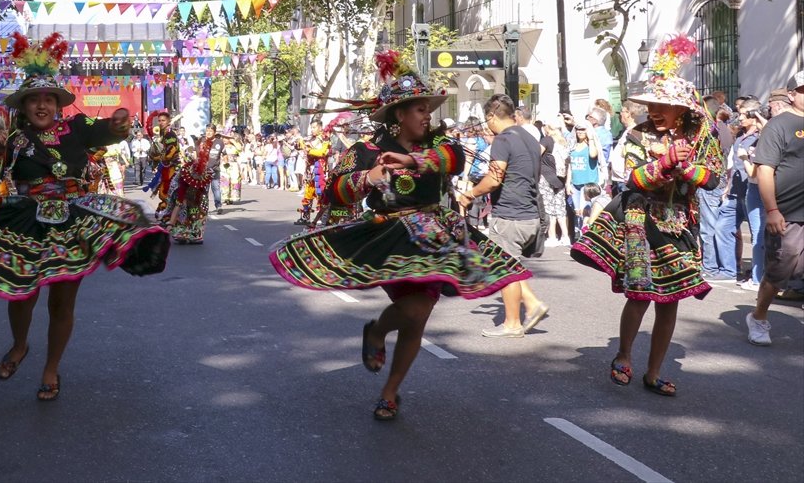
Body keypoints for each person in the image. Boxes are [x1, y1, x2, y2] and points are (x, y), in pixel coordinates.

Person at [268, 54, 531, 421]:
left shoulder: (442, 144)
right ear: (399, 115)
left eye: (428, 110)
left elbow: (452, 160)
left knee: (418, 316)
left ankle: (390, 391)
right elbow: (333, 192)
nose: (427, 116)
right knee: (414, 310)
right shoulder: (366, 152)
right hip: (389, 237)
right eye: (420, 110)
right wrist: (368, 178)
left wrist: (411, 162)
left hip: (437, 238)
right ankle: (377, 331)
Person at [0, 33, 169, 401]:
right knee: (21, 294)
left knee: (62, 302)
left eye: (48, 98)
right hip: (26, 223)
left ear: (57, 104)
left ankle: (51, 369)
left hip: (74, 222)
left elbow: (108, 133)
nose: (42, 105)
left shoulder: (77, 129)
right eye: (35, 99)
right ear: (25, 105)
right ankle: (20, 345)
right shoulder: (13, 139)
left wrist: (119, 121)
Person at [571, 35, 722, 396]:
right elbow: (632, 178)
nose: (653, 110)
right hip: (641, 221)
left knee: (671, 300)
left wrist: (687, 169)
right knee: (639, 294)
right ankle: (623, 354)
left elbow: (714, 178)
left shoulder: (702, 135)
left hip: (680, 223)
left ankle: (653, 373)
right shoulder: (637, 135)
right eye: (651, 103)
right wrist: (667, 162)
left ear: (681, 109)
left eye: (662, 105)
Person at [455, 94, 549, 337]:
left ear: (491, 116)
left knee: (505, 269)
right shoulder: (529, 137)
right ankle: (532, 304)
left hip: (510, 215)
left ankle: (512, 323)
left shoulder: (503, 139)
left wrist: (469, 194)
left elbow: (494, 179)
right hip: (530, 214)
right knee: (511, 266)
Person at [745, 72, 804, 345]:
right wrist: (772, 210)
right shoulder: (778, 125)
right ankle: (758, 316)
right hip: (787, 213)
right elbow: (765, 171)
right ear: (791, 94)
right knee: (779, 271)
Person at [732, 98, 766, 291]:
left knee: (759, 235)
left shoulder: (764, 137)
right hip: (753, 188)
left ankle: (758, 278)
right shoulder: (754, 136)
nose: (740, 118)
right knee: (760, 234)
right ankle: (759, 275)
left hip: (758, 187)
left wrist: (744, 158)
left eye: (744, 114)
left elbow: (753, 172)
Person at [164, 135, 216, 244]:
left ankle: (196, 233)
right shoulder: (183, 181)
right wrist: (170, 224)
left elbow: (201, 158)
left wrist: (197, 146)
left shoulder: (202, 179)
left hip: (197, 195)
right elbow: (178, 204)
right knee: (182, 207)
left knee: (200, 208)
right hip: (181, 192)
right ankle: (181, 232)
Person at [295, 120, 330, 225]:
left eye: (314, 127)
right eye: (311, 127)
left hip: (320, 170)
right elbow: (300, 147)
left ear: (320, 127)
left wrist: (308, 149)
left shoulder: (325, 139)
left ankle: (322, 217)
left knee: (320, 193)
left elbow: (322, 152)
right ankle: (306, 217)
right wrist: (299, 144)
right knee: (308, 193)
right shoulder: (311, 138)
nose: (312, 129)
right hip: (310, 170)